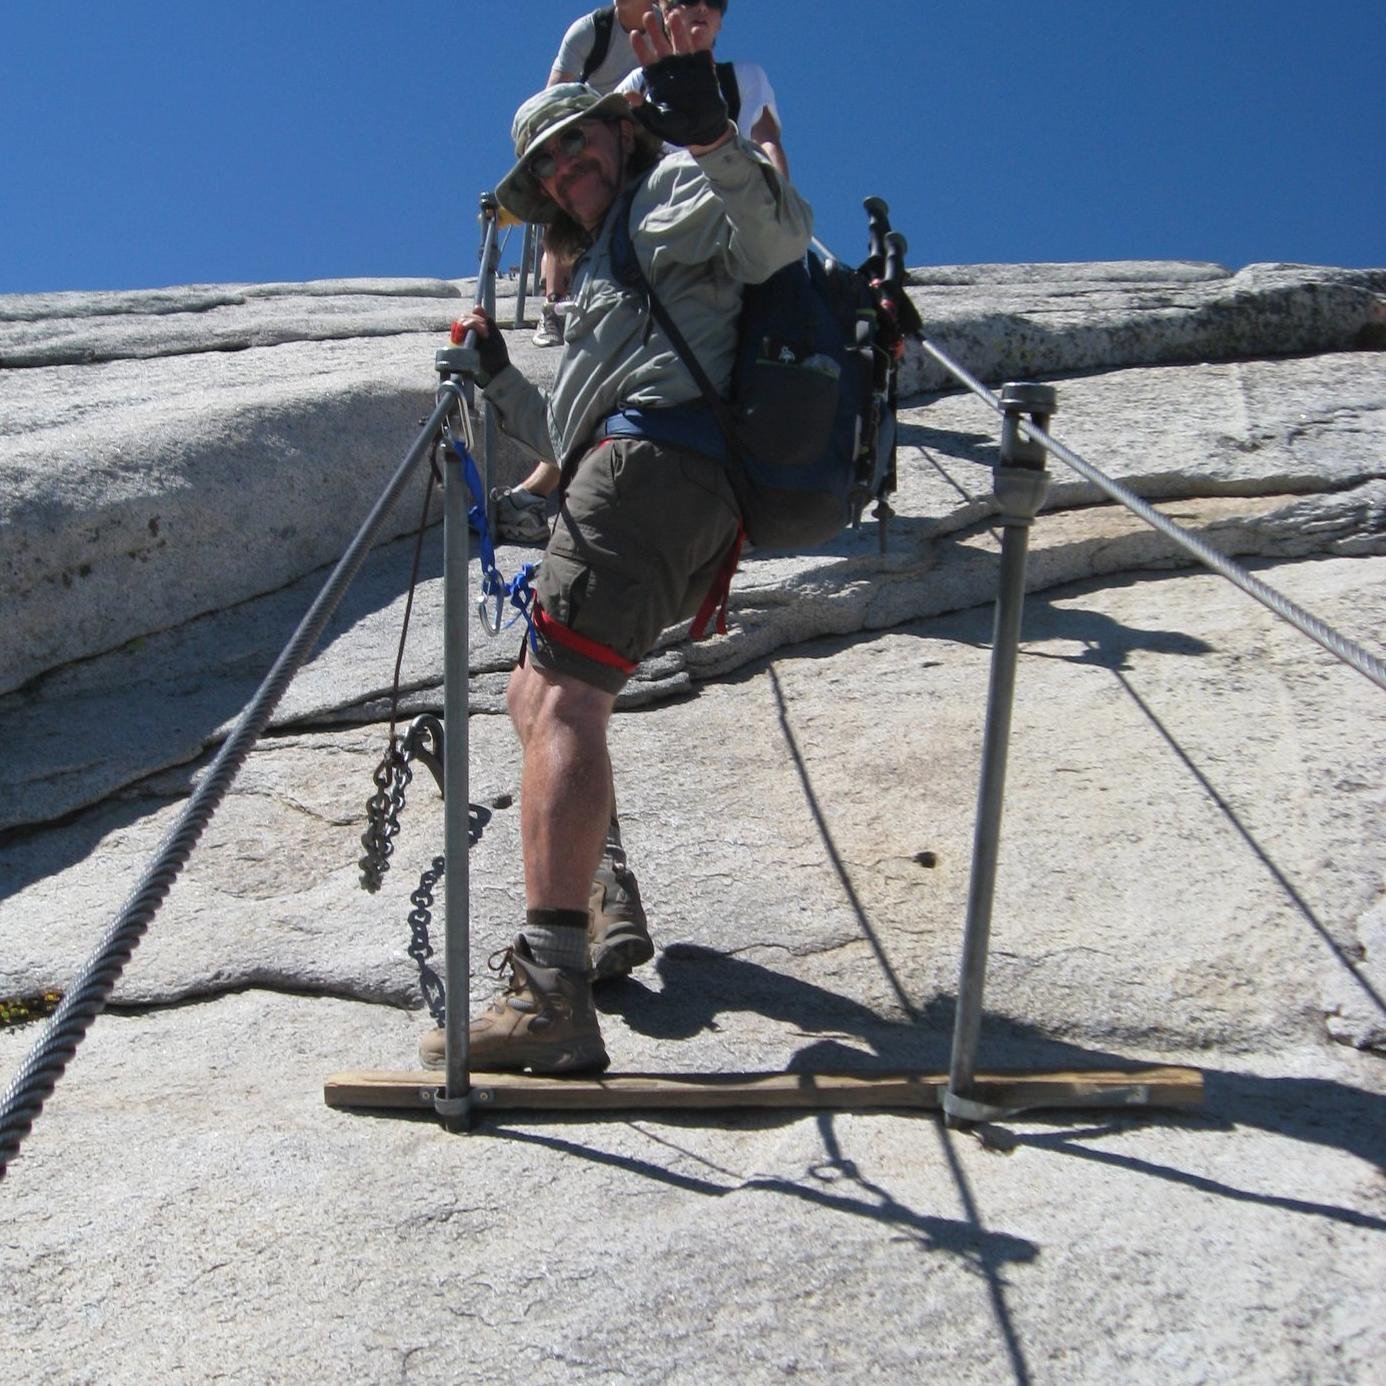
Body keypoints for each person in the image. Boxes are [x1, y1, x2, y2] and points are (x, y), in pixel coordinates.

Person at [421, 9, 813, 1074]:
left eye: (576, 139)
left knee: (563, 698)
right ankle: (595, 891)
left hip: (656, 473)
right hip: (634, 471)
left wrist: (712, 135)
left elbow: (781, 239)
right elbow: (575, 429)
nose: (561, 165)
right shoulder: (605, 263)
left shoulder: (671, 191)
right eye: (545, 160)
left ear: (620, 134)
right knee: (528, 693)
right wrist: (500, 378)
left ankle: (550, 991)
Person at [494, 0, 789, 543]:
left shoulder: (742, 80)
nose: (695, 11)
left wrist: (729, 155)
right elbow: (566, 419)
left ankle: (544, 491)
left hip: (711, 214)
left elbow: (770, 165)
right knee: (613, 359)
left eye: (708, 3)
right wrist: (496, 374)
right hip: (654, 231)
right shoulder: (636, 77)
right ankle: (544, 489)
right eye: (544, 161)